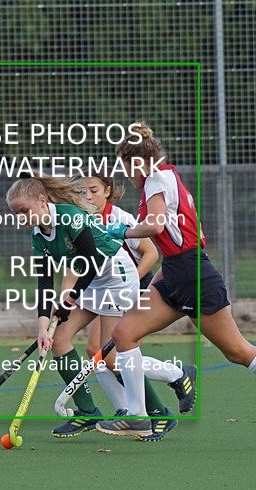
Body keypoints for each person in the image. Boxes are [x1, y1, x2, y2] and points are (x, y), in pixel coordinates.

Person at [94, 122, 256, 442]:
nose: (127, 176)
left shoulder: (155, 179)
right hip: (177, 274)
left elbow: (157, 226)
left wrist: (124, 231)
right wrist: (154, 286)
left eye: (125, 167)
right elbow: (182, 241)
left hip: (195, 277)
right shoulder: (168, 179)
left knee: (237, 351)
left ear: (135, 162)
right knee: (124, 333)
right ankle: (137, 416)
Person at [5, 172, 194, 439]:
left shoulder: (69, 216)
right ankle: (87, 412)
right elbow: (44, 282)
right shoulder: (38, 235)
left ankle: (158, 412)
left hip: (116, 278)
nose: (21, 218)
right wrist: (42, 326)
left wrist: (69, 302)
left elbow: (92, 260)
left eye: (24, 210)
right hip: (91, 282)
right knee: (58, 340)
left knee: (111, 359)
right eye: (16, 214)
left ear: (42, 199)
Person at [78, 173, 193, 438]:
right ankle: (126, 409)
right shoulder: (83, 220)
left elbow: (152, 253)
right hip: (104, 290)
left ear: (108, 191)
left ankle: (173, 377)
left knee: (110, 355)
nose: (87, 197)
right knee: (95, 351)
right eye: (82, 192)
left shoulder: (121, 219)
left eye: (93, 190)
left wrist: (132, 282)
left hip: (131, 286)